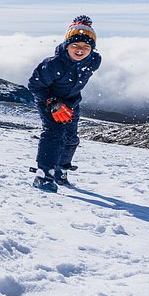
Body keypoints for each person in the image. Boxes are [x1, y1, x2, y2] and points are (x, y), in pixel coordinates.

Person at [27, 15, 102, 192]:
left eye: (86, 46)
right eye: (74, 45)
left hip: (71, 103)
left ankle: (61, 169)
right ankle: (44, 174)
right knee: (54, 133)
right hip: (48, 101)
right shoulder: (53, 64)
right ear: (66, 45)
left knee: (71, 139)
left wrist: (83, 27)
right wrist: (52, 102)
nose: (80, 50)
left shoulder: (94, 61)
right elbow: (34, 85)